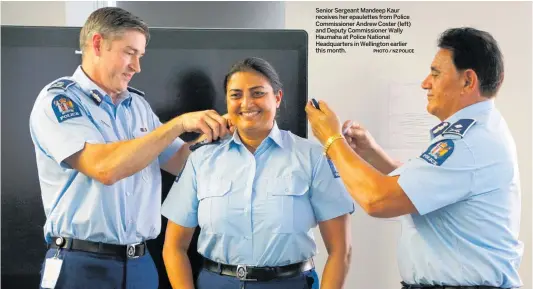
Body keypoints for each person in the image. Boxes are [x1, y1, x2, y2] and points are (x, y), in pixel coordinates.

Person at [306, 27, 523, 289]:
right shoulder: (479, 132)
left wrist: (332, 139)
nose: (425, 83)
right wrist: (373, 154)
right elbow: (424, 184)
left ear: (468, 81)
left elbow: (378, 200)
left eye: (435, 73)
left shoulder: (467, 142)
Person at [29, 7, 229, 289]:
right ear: (98, 44)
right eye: (129, 53)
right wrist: (179, 123)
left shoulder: (138, 107)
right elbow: (105, 168)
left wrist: (220, 134)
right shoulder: (59, 101)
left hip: (140, 264)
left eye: (140, 56)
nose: (137, 66)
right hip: (82, 265)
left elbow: (180, 162)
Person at [161, 57, 355, 289]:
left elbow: (341, 250)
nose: (246, 103)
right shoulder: (201, 160)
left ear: (278, 98)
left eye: (257, 93)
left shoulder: (312, 157)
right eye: (235, 95)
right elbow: (174, 247)